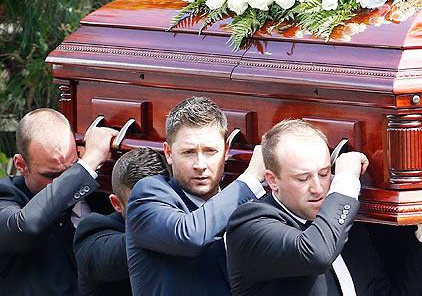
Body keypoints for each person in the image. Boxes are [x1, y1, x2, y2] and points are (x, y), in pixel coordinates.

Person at [226, 119, 422, 296]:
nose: (317, 188)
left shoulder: (346, 226)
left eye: (324, 174)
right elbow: (317, 253)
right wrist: (346, 181)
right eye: (302, 178)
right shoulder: (250, 224)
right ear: (272, 180)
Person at [125, 96, 266, 296]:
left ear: (226, 151)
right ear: (168, 153)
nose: (200, 164)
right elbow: (189, 235)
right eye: (189, 152)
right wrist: (250, 179)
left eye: (210, 151)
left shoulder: (247, 203)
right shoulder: (147, 195)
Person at [0, 108, 118, 296]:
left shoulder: (103, 194)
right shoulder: (6, 197)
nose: (65, 181)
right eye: (51, 175)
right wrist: (89, 162)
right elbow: (27, 226)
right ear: (21, 165)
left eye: (71, 169)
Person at [73, 147, 170, 296]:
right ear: (117, 203)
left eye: (161, 203)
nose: (153, 215)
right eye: (140, 206)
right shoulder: (94, 233)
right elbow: (112, 257)